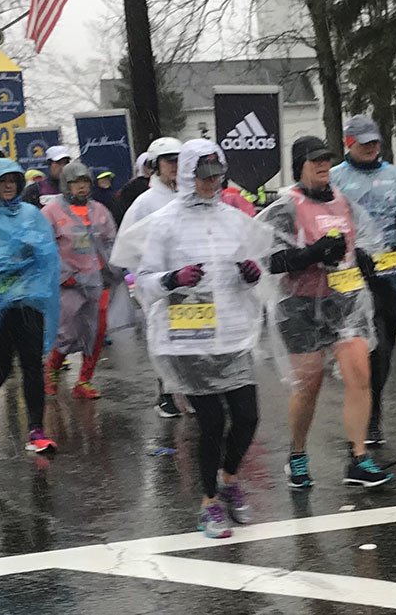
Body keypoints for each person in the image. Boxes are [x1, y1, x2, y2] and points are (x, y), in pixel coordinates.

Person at [127, 140, 272, 538]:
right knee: (211, 423)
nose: (211, 184)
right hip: (189, 337)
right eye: (203, 177)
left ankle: (228, 478)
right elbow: (143, 281)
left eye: (216, 176)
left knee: (247, 417)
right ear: (189, 176)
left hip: (232, 333)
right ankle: (209, 504)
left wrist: (251, 274)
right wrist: (173, 279)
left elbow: (258, 266)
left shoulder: (233, 219)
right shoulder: (166, 222)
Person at [259, 135, 393, 489]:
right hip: (300, 305)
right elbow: (268, 261)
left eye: (326, 160)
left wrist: (363, 256)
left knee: (360, 374)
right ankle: (298, 454)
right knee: (309, 384)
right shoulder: (286, 207)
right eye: (314, 160)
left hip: (343, 303)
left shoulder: (343, 202)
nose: (322, 166)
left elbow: (365, 240)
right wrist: (312, 253)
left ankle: (359, 457)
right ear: (299, 166)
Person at [329, 115, 396, 446]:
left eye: (376, 142)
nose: (372, 148)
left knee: (384, 348)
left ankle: (373, 407)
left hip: (391, 273)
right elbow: (323, 220)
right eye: (364, 142)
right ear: (349, 143)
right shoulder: (335, 179)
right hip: (352, 275)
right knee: (368, 346)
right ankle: (366, 413)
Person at [0, 158, 60, 452]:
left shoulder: (30, 214)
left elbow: (46, 254)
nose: (8, 186)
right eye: (1, 181)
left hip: (27, 299)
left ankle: (36, 430)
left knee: (32, 366)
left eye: (13, 180)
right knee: (0, 368)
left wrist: (27, 256)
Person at [116, 136, 185, 417]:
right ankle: (166, 394)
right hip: (161, 283)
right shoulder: (145, 202)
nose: (176, 167)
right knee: (164, 339)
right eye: (170, 161)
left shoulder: (189, 195)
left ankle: (192, 390)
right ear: (156, 166)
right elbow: (128, 243)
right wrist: (148, 274)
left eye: (180, 160)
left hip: (190, 281)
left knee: (192, 336)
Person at [42, 162, 118, 400]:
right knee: (66, 331)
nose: (82, 187)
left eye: (85, 182)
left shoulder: (99, 210)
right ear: (66, 185)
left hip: (98, 281)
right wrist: (64, 274)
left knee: (95, 331)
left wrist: (113, 268)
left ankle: (84, 380)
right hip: (68, 283)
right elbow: (45, 247)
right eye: (76, 183)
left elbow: (112, 241)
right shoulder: (52, 212)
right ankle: (50, 371)